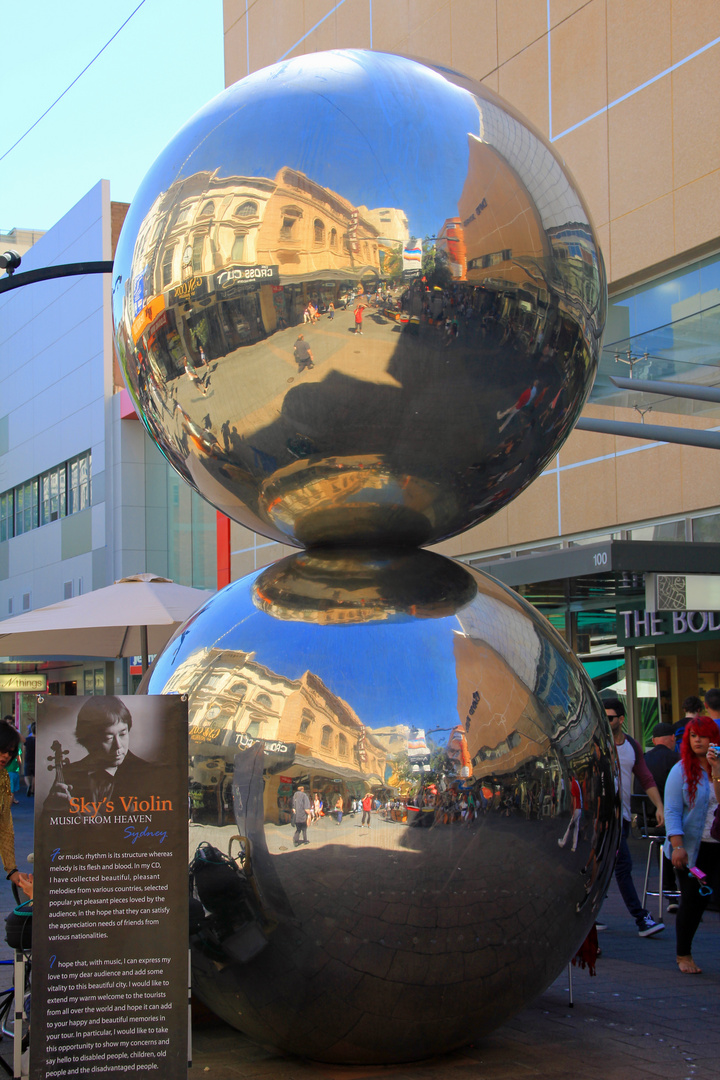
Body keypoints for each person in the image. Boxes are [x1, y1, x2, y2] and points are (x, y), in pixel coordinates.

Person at [604, 698, 666, 936]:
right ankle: (641, 918)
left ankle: (589, 918)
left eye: (610, 717)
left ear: (620, 719)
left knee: (605, 869)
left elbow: (645, 777)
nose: (607, 721)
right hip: (604, 817)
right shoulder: (599, 743)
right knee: (623, 865)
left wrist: (658, 805)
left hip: (624, 817)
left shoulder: (632, 746)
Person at [664, 715, 720, 973]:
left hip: (716, 845)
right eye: (693, 736)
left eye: (704, 736)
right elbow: (672, 811)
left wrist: (716, 769)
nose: (698, 741)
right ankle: (683, 955)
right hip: (691, 851)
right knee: (693, 902)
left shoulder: (717, 767)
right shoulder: (680, 771)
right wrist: (677, 846)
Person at [44, 697, 155, 813]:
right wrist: (51, 807)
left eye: (123, 734)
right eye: (108, 738)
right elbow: (49, 826)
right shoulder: (68, 774)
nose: (118, 745)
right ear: (89, 739)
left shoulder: (149, 774)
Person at [0, 724, 33, 899]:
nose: (6, 756)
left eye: (10, 752)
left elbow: (4, 826)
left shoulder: (4, 778)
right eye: (3, 750)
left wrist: (12, 870)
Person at [557, 776, 583, 852]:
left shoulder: (573, 785)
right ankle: (574, 846)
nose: (568, 783)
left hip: (576, 809)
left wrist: (573, 810)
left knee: (570, 827)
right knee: (576, 827)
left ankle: (563, 842)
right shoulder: (576, 783)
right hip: (579, 808)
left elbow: (574, 800)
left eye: (569, 781)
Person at [23, 722, 36, 797]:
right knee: (34, 775)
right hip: (35, 759)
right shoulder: (39, 740)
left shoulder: (27, 740)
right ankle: (33, 790)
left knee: (26, 775)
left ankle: (29, 785)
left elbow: (24, 750)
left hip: (28, 758)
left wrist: (24, 758)